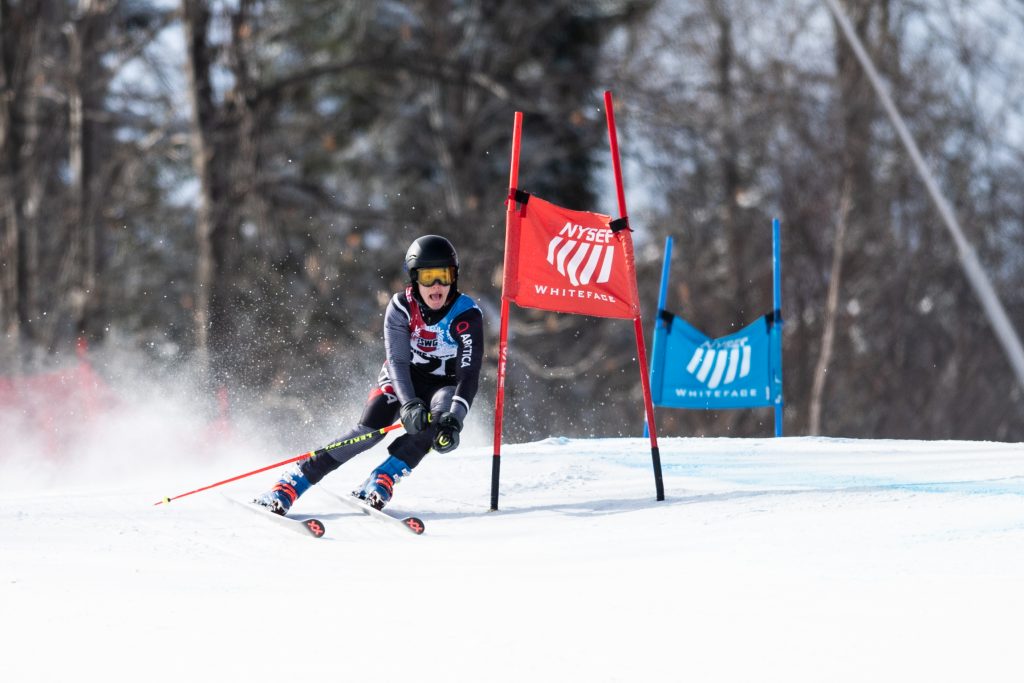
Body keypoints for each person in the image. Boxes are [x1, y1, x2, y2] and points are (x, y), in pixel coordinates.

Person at [254, 234, 484, 513]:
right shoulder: (401, 308)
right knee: (370, 432)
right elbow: (398, 361)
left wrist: (454, 421)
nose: (436, 286)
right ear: (414, 278)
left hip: (442, 385)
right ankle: (293, 482)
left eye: (443, 276)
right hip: (404, 377)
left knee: (436, 423)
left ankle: (383, 477)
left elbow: (468, 374)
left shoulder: (466, 314)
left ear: (454, 277)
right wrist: (410, 403)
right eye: (428, 277)